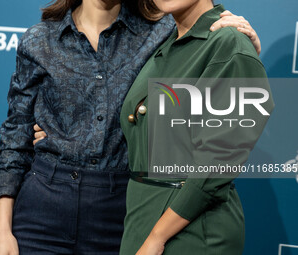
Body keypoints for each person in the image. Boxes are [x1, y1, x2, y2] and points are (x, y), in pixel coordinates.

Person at [0, 0, 262, 254]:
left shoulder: (162, 33)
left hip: (121, 207)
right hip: (44, 203)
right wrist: (2, 229)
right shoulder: (40, 40)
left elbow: (208, 54)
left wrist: (243, 40)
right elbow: (16, 133)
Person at [118, 0, 275, 255]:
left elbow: (218, 162)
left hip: (190, 228)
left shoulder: (229, 42)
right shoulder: (168, 42)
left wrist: (157, 237)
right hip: (142, 218)